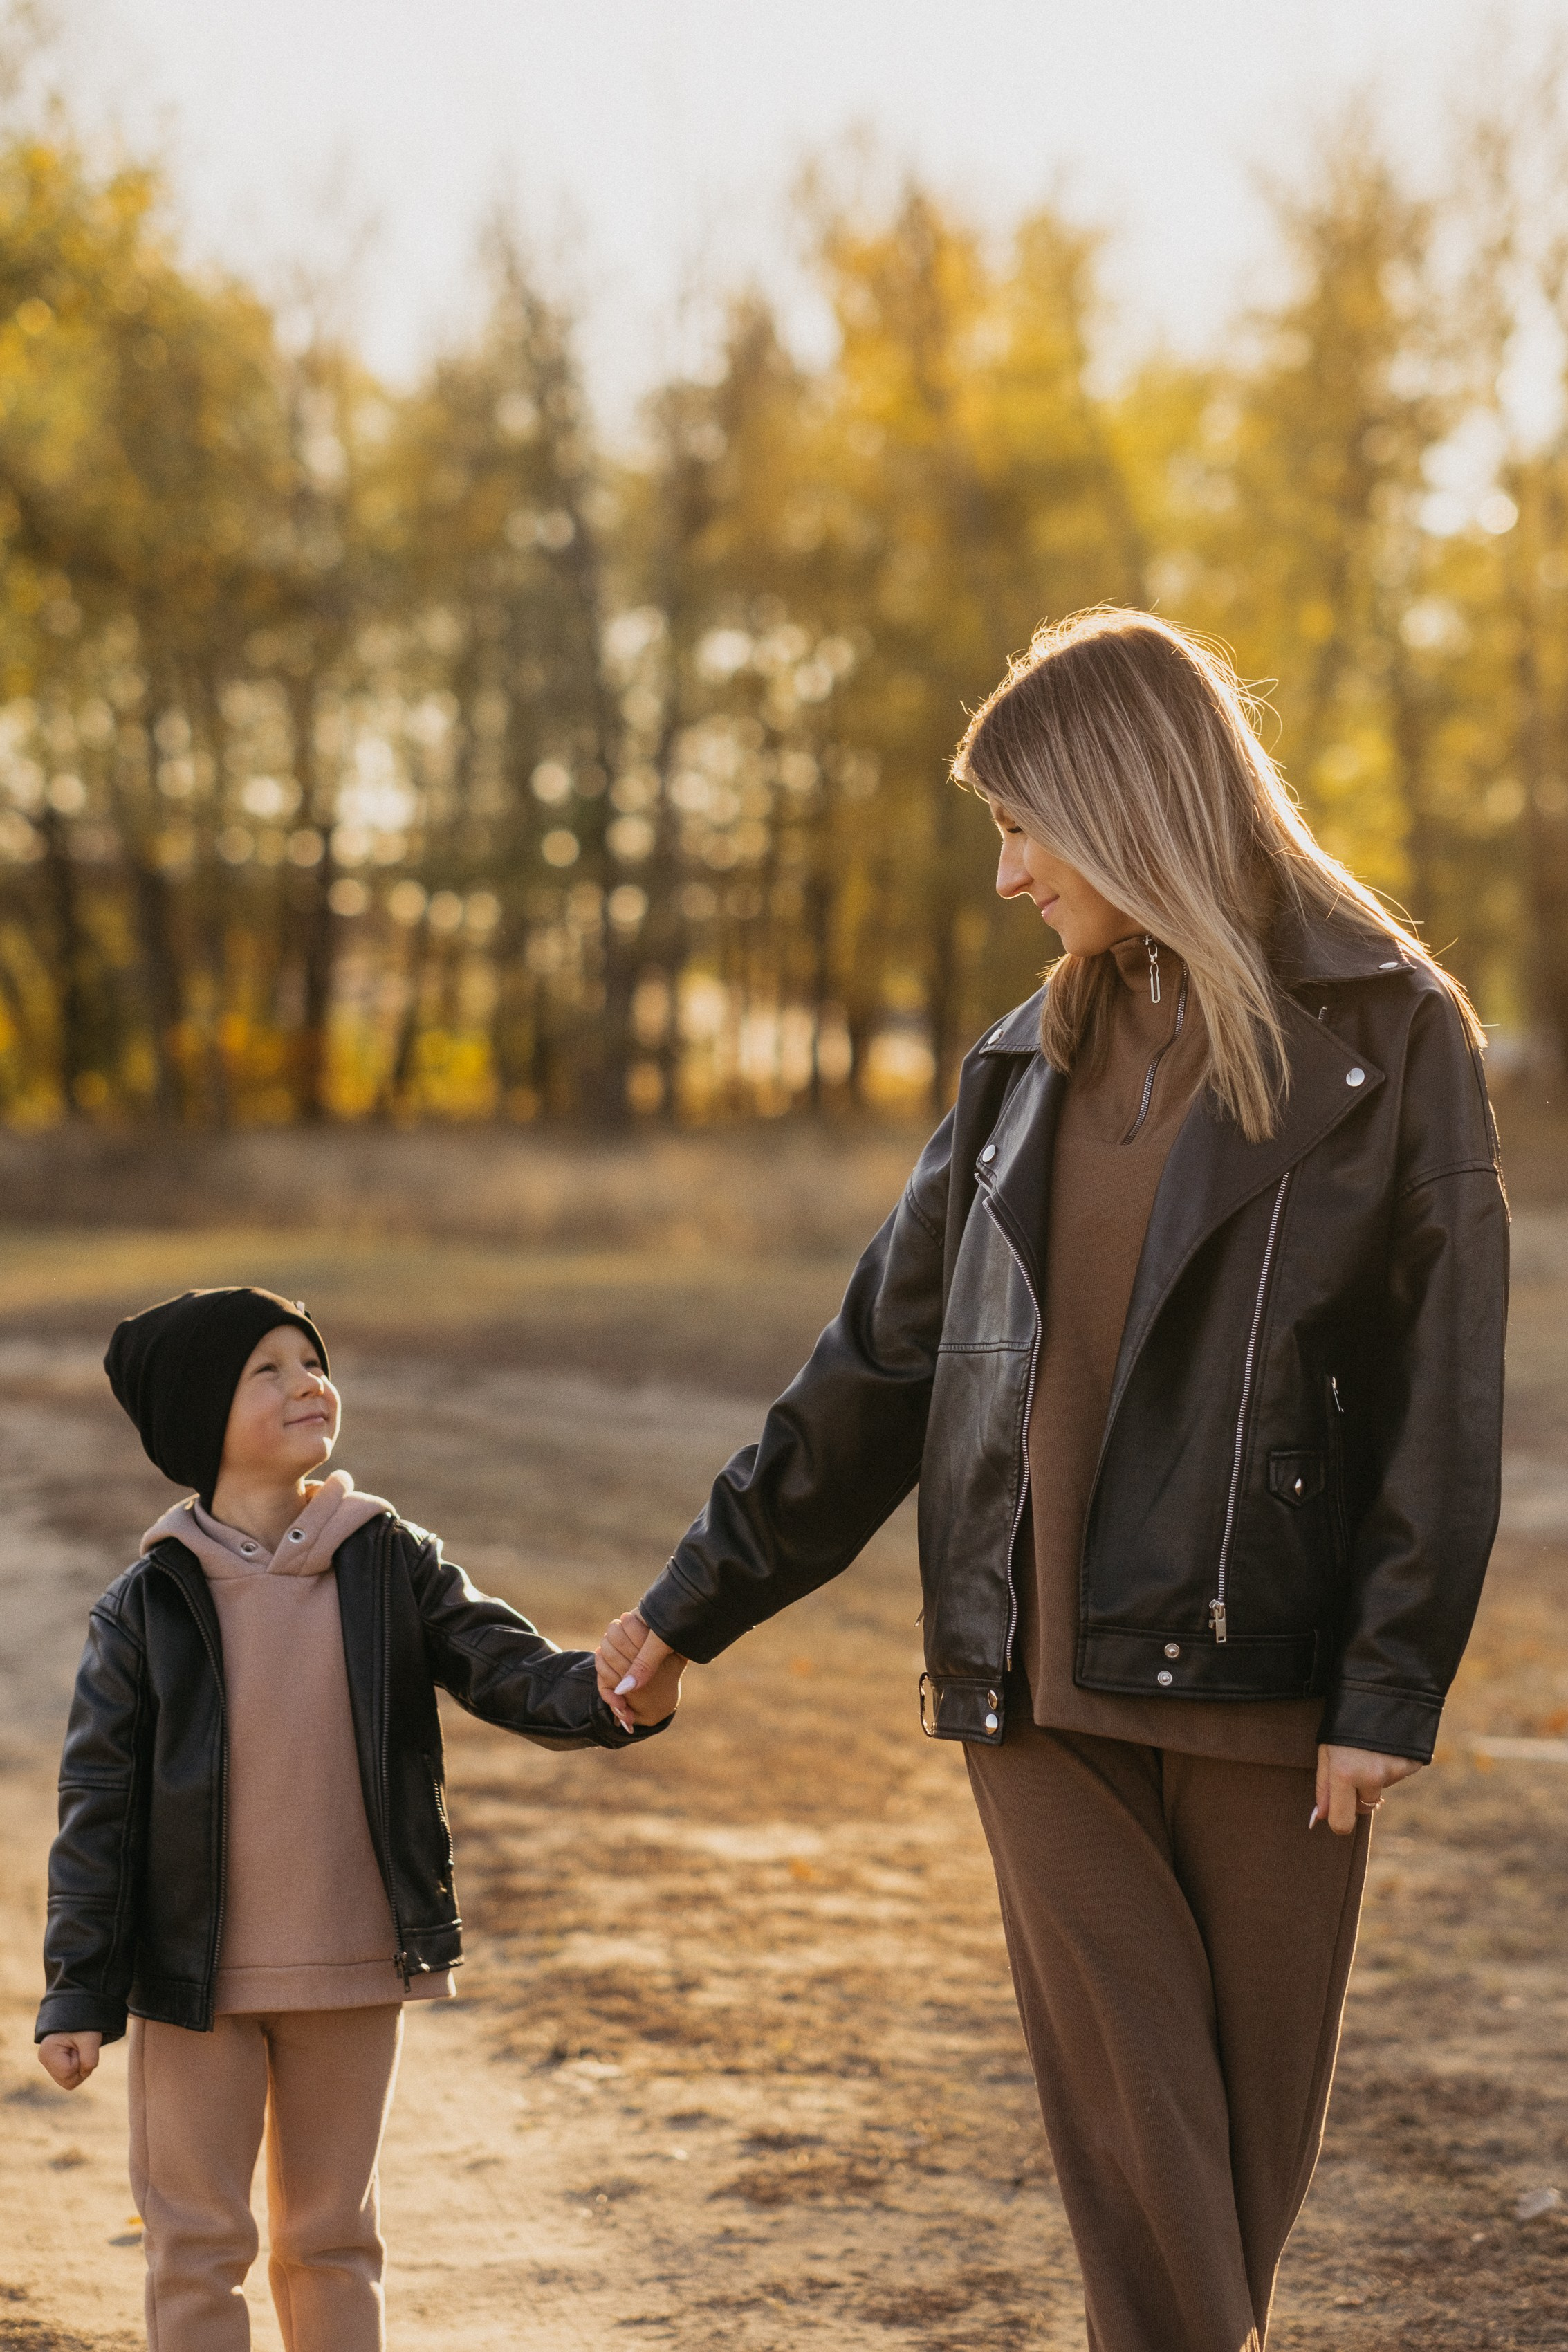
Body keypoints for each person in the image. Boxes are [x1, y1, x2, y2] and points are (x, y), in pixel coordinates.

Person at [596, 609, 1509, 2351]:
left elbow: (1442, 1388)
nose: (1010, 875)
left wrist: (1391, 1681)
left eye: (1025, 827)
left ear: (1123, 799)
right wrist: (693, 1599)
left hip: (1269, 1669)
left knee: (1233, 2155)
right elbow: (877, 1366)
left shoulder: (1392, 1030)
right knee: (1133, 2128)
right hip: (1028, 1679)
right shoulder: (1022, 1064)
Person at [36, 1285, 681, 2352]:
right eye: (269, 1369)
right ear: (201, 1415)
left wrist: (617, 1695)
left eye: (313, 1362)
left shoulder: (389, 1560)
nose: (308, 1383)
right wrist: (78, 1988)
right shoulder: (144, 1607)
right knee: (196, 2242)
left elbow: (509, 1670)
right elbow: (96, 1808)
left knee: (332, 2238)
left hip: (350, 1967)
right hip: (193, 1985)